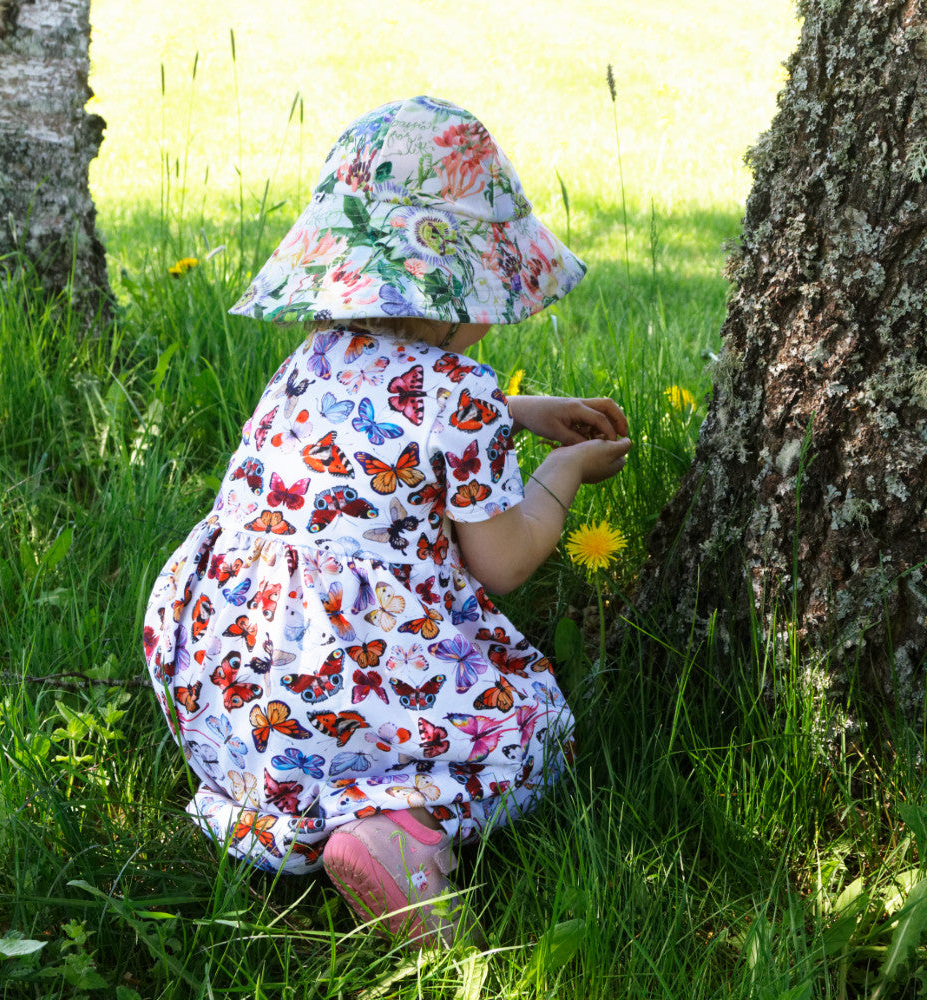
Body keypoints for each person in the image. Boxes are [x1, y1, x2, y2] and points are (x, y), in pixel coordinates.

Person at [143, 95, 630, 947]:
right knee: (537, 734)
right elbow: (505, 562)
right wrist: (562, 472)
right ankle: (394, 835)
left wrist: (515, 411)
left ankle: (287, 800)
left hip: (238, 675)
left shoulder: (311, 361)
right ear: (464, 287)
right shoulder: (461, 395)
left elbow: (387, 428)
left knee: (294, 731)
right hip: (360, 671)